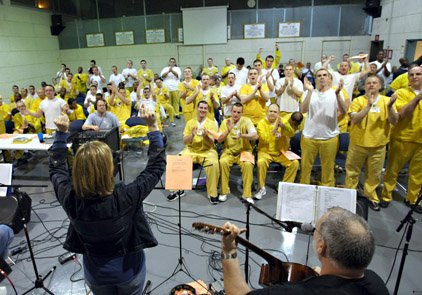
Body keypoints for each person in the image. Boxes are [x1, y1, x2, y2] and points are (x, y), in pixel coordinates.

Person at [48, 106, 165, 294]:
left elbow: (56, 170)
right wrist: (153, 126)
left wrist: (61, 135)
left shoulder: (71, 199)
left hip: (96, 275)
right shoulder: (126, 197)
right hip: (128, 272)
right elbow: (156, 167)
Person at [221, 207, 389, 295]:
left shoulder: (297, 292)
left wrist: (229, 249)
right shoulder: (376, 282)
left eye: (316, 230)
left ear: (321, 247)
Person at [345, 76, 395, 211]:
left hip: (378, 145)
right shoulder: (358, 101)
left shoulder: (387, 101)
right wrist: (368, 105)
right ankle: (349, 196)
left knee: (374, 174)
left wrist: (390, 107)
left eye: (374, 82)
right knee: (352, 172)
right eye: (368, 83)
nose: (371, 85)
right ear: (364, 86)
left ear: (380, 86)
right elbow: (354, 119)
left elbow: (394, 121)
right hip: (358, 144)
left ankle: (371, 196)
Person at [381, 66, 422, 212]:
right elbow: (402, 114)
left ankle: (412, 199)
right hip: (402, 138)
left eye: (418, 74)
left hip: (420, 141)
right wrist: (417, 98)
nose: (414, 77)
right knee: (392, 170)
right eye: (411, 74)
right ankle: (386, 196)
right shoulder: (401, 93)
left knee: (418, 174)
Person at [300, 69, 347, 187]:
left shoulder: (336, 92)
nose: (322, 77)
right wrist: (310, 91)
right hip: (309, 137)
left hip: (329, 137)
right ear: (315, 79)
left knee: (328, 169)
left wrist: (337, 95)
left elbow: (344, 111)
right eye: (319, 76)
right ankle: (304, 191)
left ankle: (327, 193)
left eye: (325, 75)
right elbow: (303, 110)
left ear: (329, 79)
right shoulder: (309, 92)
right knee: (305, 168)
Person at [167, 101, 219, 204]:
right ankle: (177, 190)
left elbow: (211, 143)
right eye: (201, 108)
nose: (203, 110)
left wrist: (205, 136)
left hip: (207, 151)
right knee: (178, 159)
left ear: (207, 110)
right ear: (197, 109)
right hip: (191, 150)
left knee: (214, 164)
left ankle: (212, 193)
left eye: (205, 108)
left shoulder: (212, 124)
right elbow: (185, 141)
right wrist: (192, 135)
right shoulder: (190, 123)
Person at [255, 105, 302, 200]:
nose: (272, 113)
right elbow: (265, 139)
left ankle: (284, 186)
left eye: (275, 112)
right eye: (271, 111)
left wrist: (284, 127)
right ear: (267, 112)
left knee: (295, 163)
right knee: (261, 162)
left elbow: (291, 133)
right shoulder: (261, 123)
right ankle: (261, 188)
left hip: (281, 152)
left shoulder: (282, 121)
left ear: (278, 114)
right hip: (265, 152)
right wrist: (275, 128)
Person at [218, 102, 258, 204]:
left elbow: (255, 136)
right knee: (223, 162)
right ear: (231, 112)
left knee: (248, 165)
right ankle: (224, 191)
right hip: (229, 151)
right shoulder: (225, 122)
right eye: (234, 111)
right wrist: (228, 130)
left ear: (242, 113)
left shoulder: (247, 121)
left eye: (238, 112)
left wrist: (242, 136)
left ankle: (247, 195)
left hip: (244, 151)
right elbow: (219, 139)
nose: (236, 114)